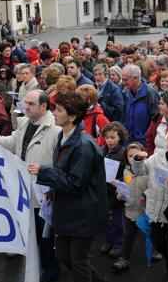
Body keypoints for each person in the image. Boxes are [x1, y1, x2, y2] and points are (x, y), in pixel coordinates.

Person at [0, 89, 62, 282]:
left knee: (45, 235)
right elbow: (15, 142)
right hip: (24, 186)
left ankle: (51, 270)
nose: (26, 107)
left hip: (43, 190)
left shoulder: (56, 129)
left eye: (31, 104)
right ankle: (40, 266)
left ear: (44, 106)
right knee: (32, 233)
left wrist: (53, 188)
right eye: (25, 103)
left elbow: (59, 162)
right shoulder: (25, 123)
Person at [35, 91, 108, 282]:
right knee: (63, 256)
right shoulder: (64, 136)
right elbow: (63, 170)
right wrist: (52, 190)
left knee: (78, 261)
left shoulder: (84, 145)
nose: (54, 113)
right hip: (68, 210)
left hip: (84, 212)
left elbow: (75, 183)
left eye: (58, 110)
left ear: (73, 116)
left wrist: (44, 173)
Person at [132, 128, 168, 282]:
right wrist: (137, 159)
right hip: (154, 209)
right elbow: (140, 171)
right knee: (157, 241)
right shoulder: (155, 157)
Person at [111, 142, 150, 272]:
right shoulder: (126, 170)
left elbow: (155, 187)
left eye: (136, 156)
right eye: (130, 156)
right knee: (128, 236)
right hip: (130, 209)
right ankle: (124, 258)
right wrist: (120, 195)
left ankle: (164, 250)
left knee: (153, 234)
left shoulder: (149, 170)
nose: (133, 159)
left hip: (146, 210)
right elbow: (125, 187)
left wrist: (147, 194)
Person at [100, 122, 128, 259]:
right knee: (105, 218)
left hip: (117, 193)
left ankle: (119, 244)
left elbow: (129, 174)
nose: (109, 140)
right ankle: (108, 240)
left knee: (117, 220)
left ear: (120, 137)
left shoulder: (124, 153)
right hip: (103, 191)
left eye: (113, 137)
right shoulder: (101, 151)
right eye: (107, 137)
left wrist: (119, 181)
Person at [121, 64, 160, 145]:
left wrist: (147, 138)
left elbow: (156, 120)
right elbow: (123, 117)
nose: (123, 83)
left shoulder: (150, 94)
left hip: (144, 142)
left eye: (126, 80)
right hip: (128, 141)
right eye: (122, 79)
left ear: (135, 78)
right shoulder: (126, 93)